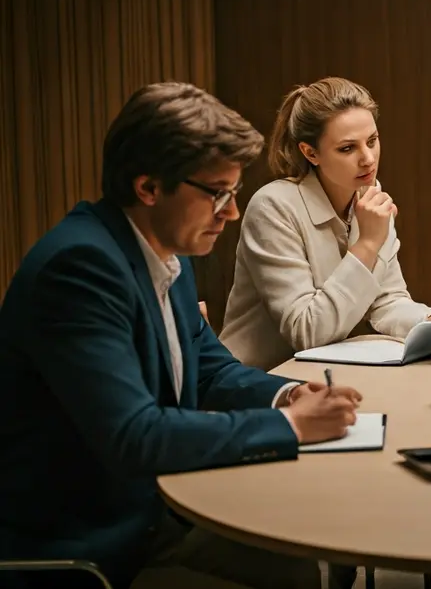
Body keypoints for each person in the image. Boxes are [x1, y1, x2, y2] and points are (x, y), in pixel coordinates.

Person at [0, 82, 363, 589]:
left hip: (154, 509)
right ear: (149, 188)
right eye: (218, 193)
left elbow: (210, 364)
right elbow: (135, 435)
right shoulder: (80, 269)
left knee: (299, 556)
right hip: (90, 545)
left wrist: (287, 395)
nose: (232, 213)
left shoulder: (164, 249)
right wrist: (294, 427)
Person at [221, 77, 431, 371]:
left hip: (329, 378)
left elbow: (386, 303)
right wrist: (368, 243)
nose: (368, 159)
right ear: (310, 153)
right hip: (258, 381)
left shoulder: (369, 195)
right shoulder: (272, 206)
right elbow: (307, 332)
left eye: (372, 141)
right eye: (347, 149)